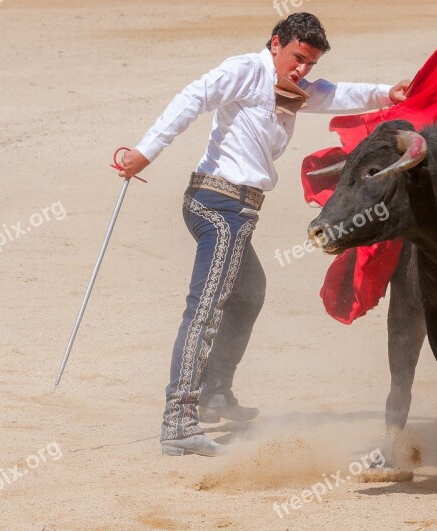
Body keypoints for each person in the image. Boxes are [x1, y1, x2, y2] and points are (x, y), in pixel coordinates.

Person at [117, 12, 410, 457]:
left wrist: (386, 94)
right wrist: (145, 152)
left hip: (236, 209)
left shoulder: (291, 88)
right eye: (297, 57)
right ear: (276, 43)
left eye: (309, 62)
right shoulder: (246, 70)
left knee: (249, 291)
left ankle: (216, 391)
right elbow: (192, 97)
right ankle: (178, 421)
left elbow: (334, 94)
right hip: (220, 206)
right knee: (207, 308)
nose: (302, 69)